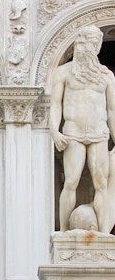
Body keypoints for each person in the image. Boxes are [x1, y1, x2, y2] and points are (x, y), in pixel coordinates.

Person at [49, 25, 115, 233]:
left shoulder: (106, 75)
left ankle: (104, 234)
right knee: (71, 181)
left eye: (96, 44)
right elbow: (55, 104)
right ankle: (64, 232)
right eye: (89, 42)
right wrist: (54, 131)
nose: (92, 48)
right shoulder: (64, 72)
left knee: (101, 182)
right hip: (73, 133)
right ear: (79, 44)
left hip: (99, 133)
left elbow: (112, 110)